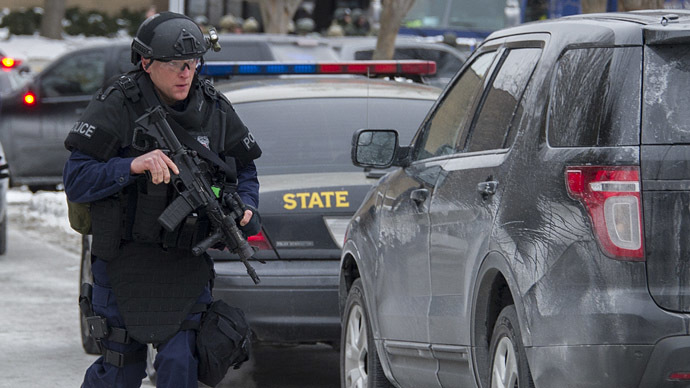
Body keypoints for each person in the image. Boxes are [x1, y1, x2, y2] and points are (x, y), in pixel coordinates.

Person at [63, 11, 262, 388]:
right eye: (175, 64)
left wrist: (246, 205)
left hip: (184, 264)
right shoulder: (116, 104)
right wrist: (132, 165)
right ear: (146, 62)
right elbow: (76, 179)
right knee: (120, 366)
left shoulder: (214, 109)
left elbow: (245, 169)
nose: (186, 73)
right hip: (123, 260)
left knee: (180, 363)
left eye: (193, 63)